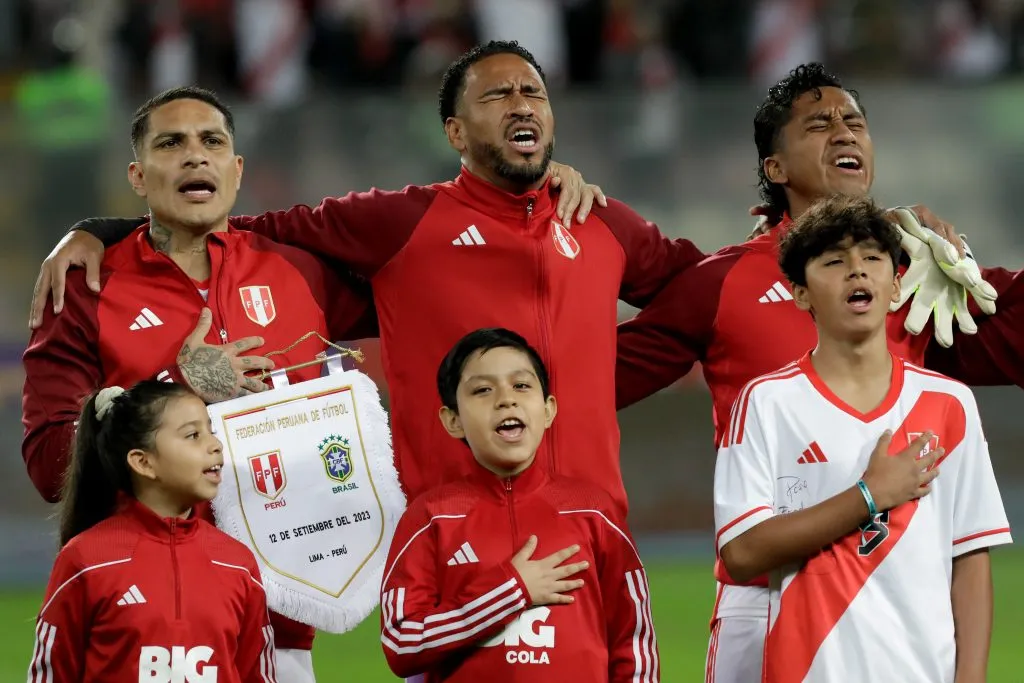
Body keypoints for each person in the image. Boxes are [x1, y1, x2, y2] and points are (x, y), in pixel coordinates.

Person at [29, 40, 705, 517]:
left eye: (533, 92)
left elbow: (699, 292)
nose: (520, 104)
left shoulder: (597, 220)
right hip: (448, 532)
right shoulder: (399, 226)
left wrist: (593, 381)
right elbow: (232, 223)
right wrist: (100, 230)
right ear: (455, 133)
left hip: (591, 523)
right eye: (498, 94)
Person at [613, 63, 1024, 683]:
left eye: (855, 121)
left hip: (888, 585)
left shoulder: (913, 274)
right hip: (764, 593)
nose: (844, 132)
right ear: (775, 168)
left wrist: (957, 259)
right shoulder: (721, 283)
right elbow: (590, 382)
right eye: (819, 124)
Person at [21, 86, 378, 682]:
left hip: (283, 622)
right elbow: (49, 463)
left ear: (236, 170)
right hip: (147, 624)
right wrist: (177, 383)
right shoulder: (84, 288)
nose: (195, 154)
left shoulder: (299, 270)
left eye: (212, 141)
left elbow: (424, 288)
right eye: (170, 143)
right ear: (138, 176)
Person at [714, 195, 1011, 683]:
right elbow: (742, 554)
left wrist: (972, 676)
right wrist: (869, 496)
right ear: (801, 293)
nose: (857, 270)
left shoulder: (949, 403)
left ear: (895, 287)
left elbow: (970, 557)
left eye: (872, 258)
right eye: (834, 262)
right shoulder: (766, 402)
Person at [380, 328, 658, 682]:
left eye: (522, 385)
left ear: (548, 409)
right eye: (483, 390)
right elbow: (402, 643)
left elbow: (634, 641)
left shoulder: (594, 512)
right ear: (453, 420)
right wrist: (512, 590)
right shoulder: (430, 517)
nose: (506, 400)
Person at [27, 381, 277, 683]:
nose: (216, 445)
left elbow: (257, 674)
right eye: (193, 435)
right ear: (143, 462)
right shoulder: (86, 560)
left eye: (211, 431)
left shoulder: (238, 563)